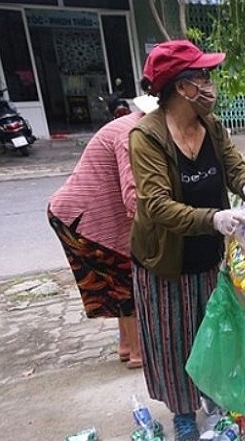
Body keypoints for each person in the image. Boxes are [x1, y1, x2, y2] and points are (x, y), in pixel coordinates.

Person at [128, 40, 245, 441]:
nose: (210, 84)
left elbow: (232, 162)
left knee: (218, 330)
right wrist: (215, 217)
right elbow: (155, 206)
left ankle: (219, 395)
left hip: (211, 253)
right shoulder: (147, 137)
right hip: (166, 260)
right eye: (203, 76)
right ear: (181, 87)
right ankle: (183, 411)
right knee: (173, 339)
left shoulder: (212, 125)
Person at [46, 95, 159, 369]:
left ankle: (125, 346)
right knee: (128, 280)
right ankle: (137, 353)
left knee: (118, 278)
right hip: (83, 219)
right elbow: (133, 195)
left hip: (77, 215)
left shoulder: (130, 126)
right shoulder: (131, 134)